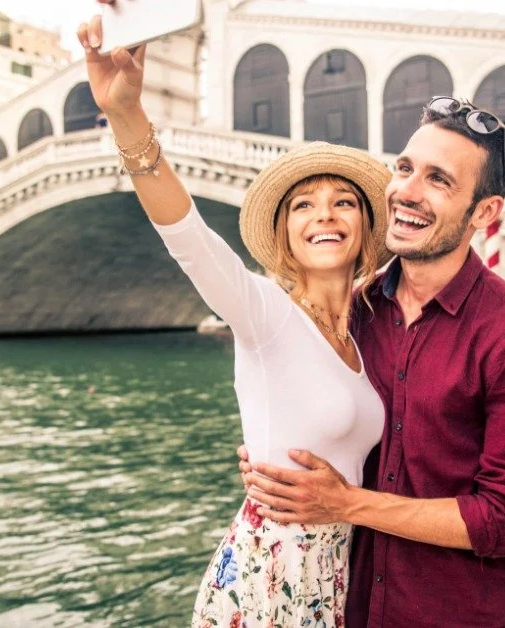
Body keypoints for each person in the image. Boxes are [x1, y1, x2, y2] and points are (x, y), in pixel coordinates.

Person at [78, 9, 391, 625]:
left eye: (342, 202)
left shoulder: (365, 332)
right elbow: (187, 235)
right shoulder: (265, 313)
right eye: (303, 204)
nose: (323, 215)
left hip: (337, 573)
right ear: (285, 232)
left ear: (364, 226)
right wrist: (125, 116)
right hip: (269, 572)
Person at [239, 96, 505, 627]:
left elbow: (500, 522)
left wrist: (347, 503)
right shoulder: (356, 315)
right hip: (353, 611)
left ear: (485, 212)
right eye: (404, 168)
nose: (406, 192)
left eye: (438, 180)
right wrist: (275, 456)